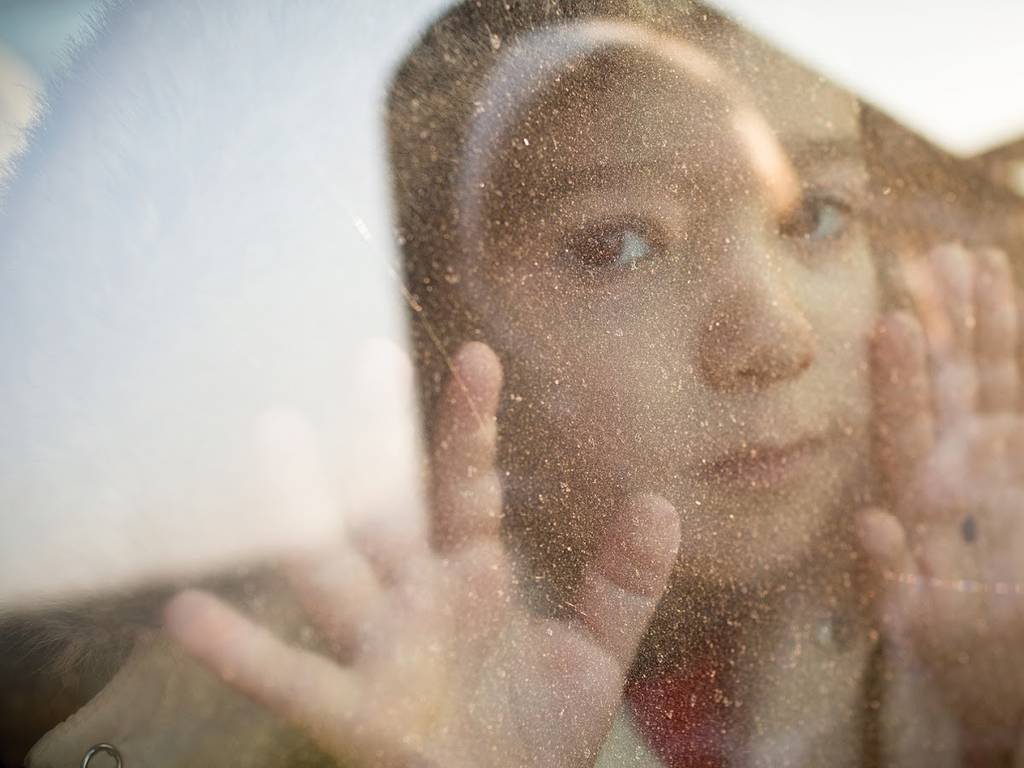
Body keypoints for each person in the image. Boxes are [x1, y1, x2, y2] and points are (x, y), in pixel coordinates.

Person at [164, 1, 1024, 767]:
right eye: (616, 243)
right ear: (438, 316)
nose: (773, 337)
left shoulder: (944, 592)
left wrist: (988, 716)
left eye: (817, 215)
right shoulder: (320, 702)